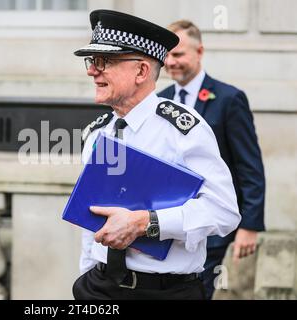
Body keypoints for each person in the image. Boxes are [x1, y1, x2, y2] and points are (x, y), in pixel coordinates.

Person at [71, 9, 241, 300]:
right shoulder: (97, 134)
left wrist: (145, 223)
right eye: (92, 61)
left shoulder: (183, 129)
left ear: (141, 71)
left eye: (105, 61)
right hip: (98, 286)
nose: (91, 70)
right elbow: (91, 220)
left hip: (165, 291)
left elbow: (224, 211)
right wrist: (86, 274)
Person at [159, 20, 266, 300]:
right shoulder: (160, 101)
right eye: (166, 55)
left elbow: (249, 167)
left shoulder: (229, 99)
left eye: (178, 54)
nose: (171, 62)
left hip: (212, 229)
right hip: (171, 227)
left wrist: (250, 226)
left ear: (200, 51)